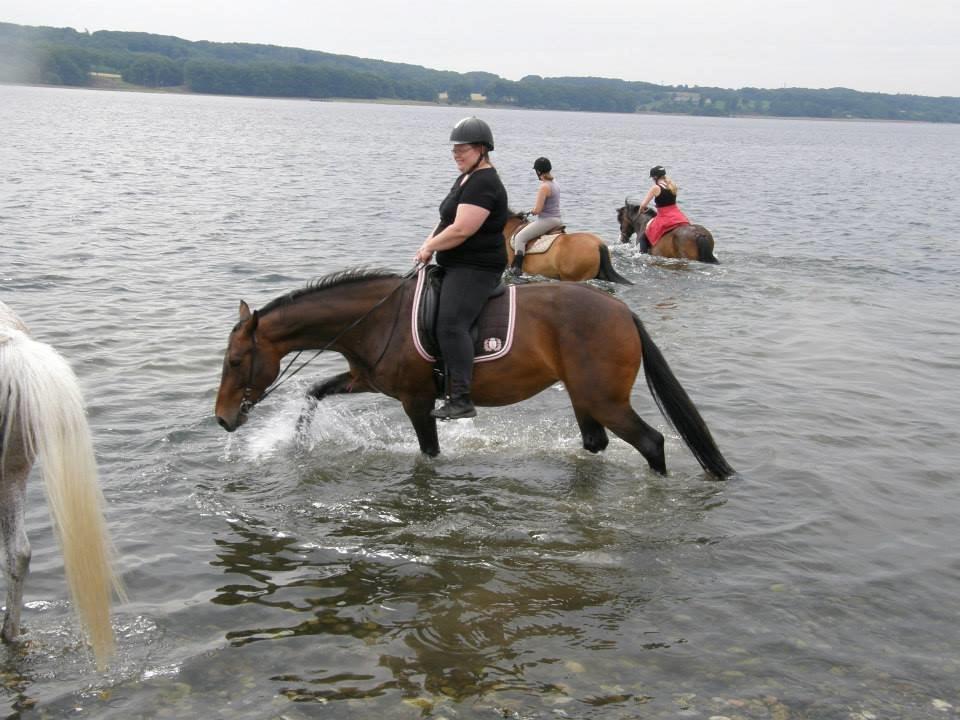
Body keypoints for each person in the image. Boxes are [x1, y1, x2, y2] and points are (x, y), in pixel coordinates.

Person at [415, 116, 509, 420]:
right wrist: (426, 245)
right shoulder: (466, 177)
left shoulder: (484, 183)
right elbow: (447, 220)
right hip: (453, 262)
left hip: (476, 267)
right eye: (454, 149)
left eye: (463, 150)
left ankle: (461, 397)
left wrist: (432, 246)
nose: (457, 154)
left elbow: (462, 230)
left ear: (482, 149)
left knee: (451, 323)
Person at [507, 156, 563, 277]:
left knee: (520, 238)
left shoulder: (544, 187)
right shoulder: (555, 183)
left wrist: (531, 211)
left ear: (538, 171)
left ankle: (516, 269)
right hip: (557, 219)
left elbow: (538, 210)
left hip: (546, 220)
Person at [637, 165, 690, 253]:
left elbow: (643, 205)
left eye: (652, 178)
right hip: (679, 216)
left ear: (655, 177)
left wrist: (641, 210)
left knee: (643, 237)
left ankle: (643, 256)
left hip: (664, 217)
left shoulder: (656, 188)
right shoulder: (672, 186)